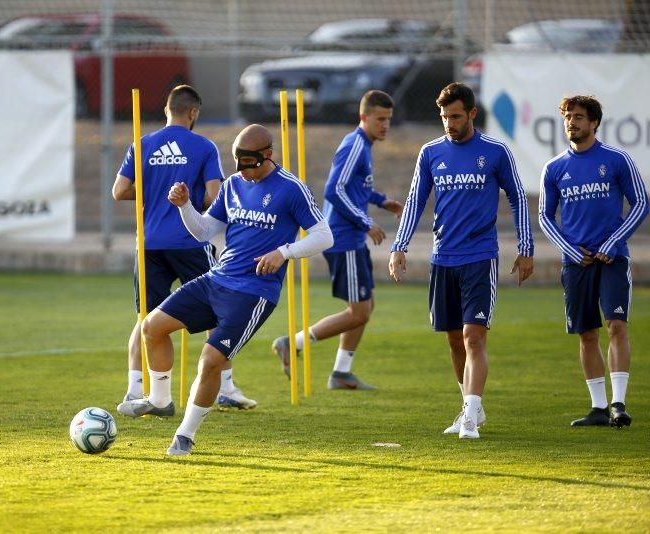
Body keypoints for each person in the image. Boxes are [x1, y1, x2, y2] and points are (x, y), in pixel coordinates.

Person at [117, 124, 333, 456]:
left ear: (268, 155)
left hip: (254, 293)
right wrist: (185, 206)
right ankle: (159, 400)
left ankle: (185, 435)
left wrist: (284, 252)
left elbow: (324, 236)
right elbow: (205, 232)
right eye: (238, 163)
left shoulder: (292, 189)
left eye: (250, 163)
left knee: (210, 360)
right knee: (151, 327)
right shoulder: (233, 185)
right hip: (217, 279)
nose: (243, 171)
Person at [388, 82, 534, 439]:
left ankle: (470, 416)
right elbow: (415, 201)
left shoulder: (496, 152)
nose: (449, 123)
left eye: (455, 116)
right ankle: (470, 405)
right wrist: (399, 246)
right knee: (454, 340)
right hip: (443, 258)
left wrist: (525, 248)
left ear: (470, 114)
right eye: (444, 117)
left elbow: (518, 198)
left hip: (480, 256)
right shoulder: (430, 153)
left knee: (473, 337)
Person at [112, 85, 256, 410]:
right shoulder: (203, 147)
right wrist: (184, 198)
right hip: (189, 241)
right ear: (193, 113)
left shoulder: (142, 144)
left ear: (167, 110)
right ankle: (226, 389)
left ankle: (135, 390)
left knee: (146, 318)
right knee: (219, 312)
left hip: (149, 245)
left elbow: (120, 191)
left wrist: (153, 188)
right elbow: (213, 197)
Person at [272, 90, 403, 390]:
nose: (385, 125)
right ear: (364, 117)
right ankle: (292, 343)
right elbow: (334, 190)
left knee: (365, 307)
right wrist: (366, 221)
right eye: (380, 119)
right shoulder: (355, 145)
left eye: (388, 120)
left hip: (352, 239)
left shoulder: (364, 146)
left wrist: (383, 202)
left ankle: (341, 372)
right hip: (343, 239)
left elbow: (357, 188)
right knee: (359, 311)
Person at [538, 95, 648, 428]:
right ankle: (598, 408)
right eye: (568, 117)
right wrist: (571, 251)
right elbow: (545, 216)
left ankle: (618, 403)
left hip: (612, 259)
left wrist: (614, 242)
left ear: (594, 122)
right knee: (587, 333)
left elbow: (640, 203)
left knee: (616, 326)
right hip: (577, 263)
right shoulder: (554, 168)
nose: (572, 122)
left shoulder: (616, 160)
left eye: (580, 117)